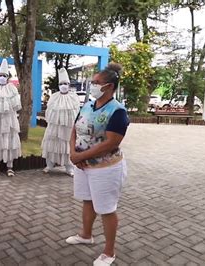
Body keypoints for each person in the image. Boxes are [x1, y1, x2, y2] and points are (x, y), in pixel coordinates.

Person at [66, 63, 129, 266]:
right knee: (87, 200)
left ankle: (109, 252)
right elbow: (75, 128)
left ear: (109, 86)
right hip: (84, 166)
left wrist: (81, 157)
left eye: (96, 82)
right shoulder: (88, 105)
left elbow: (112, 143)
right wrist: (73, 152)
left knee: (106, 208)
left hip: (106, 168)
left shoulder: (117, 111)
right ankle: (86, 235)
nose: (92, 85)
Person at [42, 68, 79, 176]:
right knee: (52, 145)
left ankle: (69, 167)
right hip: (54, 127)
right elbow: (49, 112)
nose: (63, 86)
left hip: (68, 127)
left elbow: (76, 113)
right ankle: (49, 165)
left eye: (65, 83)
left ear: (69, 84)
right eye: (61, 84)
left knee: (67, 146)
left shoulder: (73, 97)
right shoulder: (54, 97)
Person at [0, 59, 21, 177]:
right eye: (0, 75)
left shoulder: (12, 89)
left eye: (4, 75)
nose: (1, 77)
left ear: (8, 77)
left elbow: (16, 105)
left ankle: (10, 167)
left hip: (8, 120)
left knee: (9, 142)